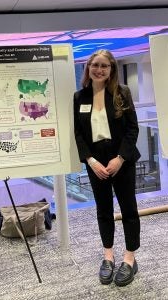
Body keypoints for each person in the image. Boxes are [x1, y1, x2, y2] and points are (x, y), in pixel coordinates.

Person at [73, 49, 141, 287]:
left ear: (111, 69)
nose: (99, 70)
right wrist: (91, 162)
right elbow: (79, 135)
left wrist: (120, 158)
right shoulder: (79, 97)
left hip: (121, 159)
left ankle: (130, 258)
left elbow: (133, 129)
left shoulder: (122, 93)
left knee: (129, 209)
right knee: (103, 210)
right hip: (96, 162)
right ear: (88, 68)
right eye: (95, 65)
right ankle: (108, 256)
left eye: (104, 66)